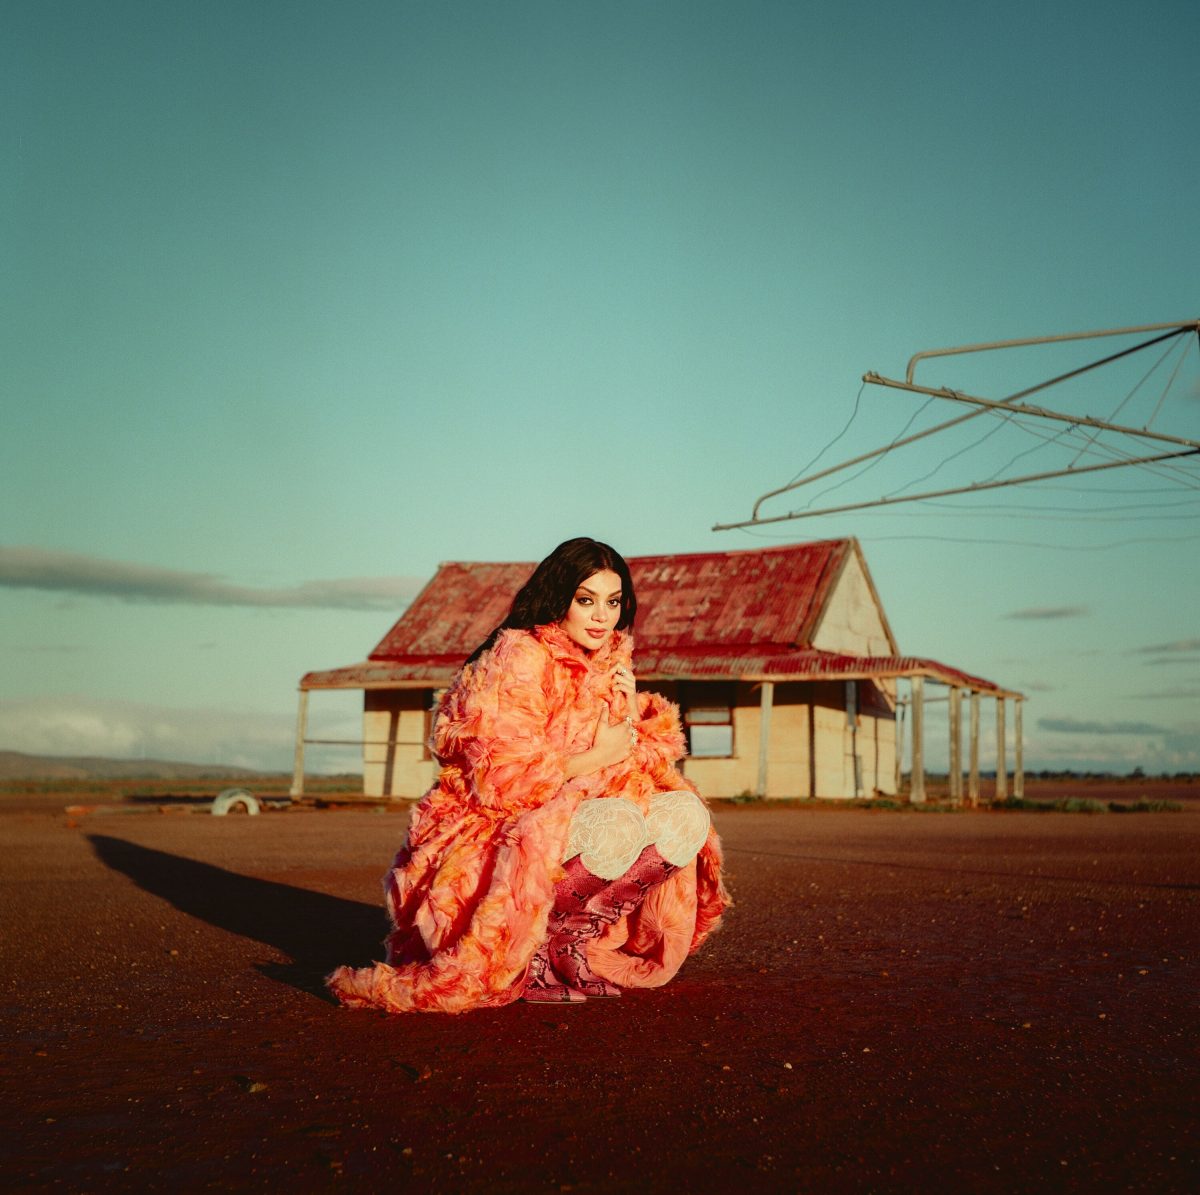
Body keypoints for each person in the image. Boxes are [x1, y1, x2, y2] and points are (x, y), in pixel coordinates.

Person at [326, 537, 729, 1013]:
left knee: (683, 814)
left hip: (571, 811)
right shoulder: (516, 657)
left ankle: (571, 940)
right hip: (489, 831)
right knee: (618, 821)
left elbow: (639, 766)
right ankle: (532, 950)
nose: (602, 616)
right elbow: (502, 780)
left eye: (613, 602)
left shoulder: (610, 663)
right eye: (586, 601)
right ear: (559, 598)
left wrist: (628, 711)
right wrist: (601, 754)